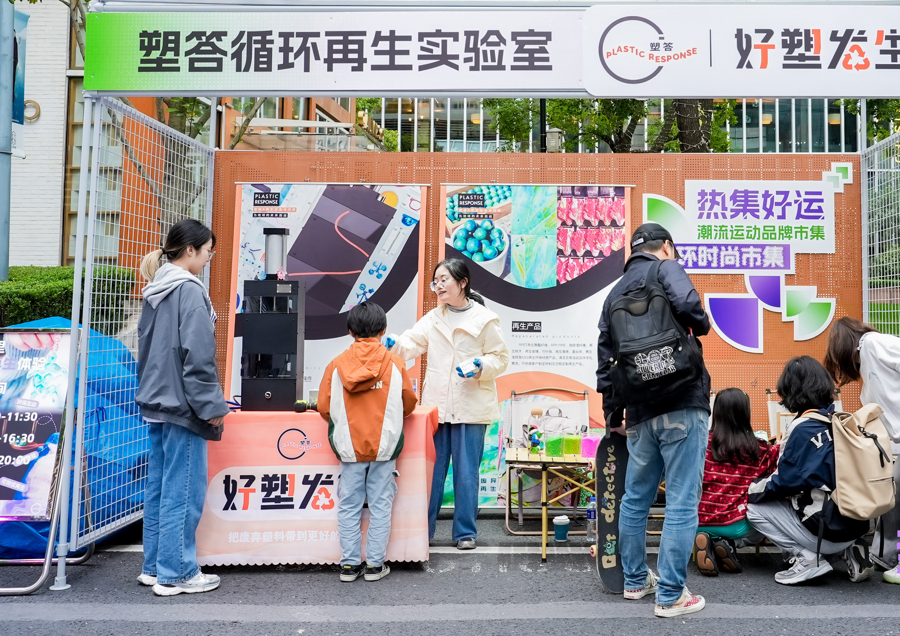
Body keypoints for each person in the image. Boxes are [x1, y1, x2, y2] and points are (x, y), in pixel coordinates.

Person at [596, 222, 712, 618]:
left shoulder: (613, 294)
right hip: (683, 401)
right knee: (681, 501)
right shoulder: (666, 268)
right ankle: (671, 595)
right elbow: (693, 310)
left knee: (635, 500)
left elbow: (606, 362)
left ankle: (634, 581)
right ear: (666, 246)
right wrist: (700, 324)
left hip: (640, 413)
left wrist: (613, 414)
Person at [386, 258, 509, 550]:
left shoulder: (485, 318)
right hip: (437, 408)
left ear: (462, 282)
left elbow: (500, 357)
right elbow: (411, 343)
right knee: (432, 473)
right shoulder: (433, 318)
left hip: (471, 407)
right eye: (436, 281)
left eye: (444, 280)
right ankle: (423, 531)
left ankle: (465, 533)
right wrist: (395, 344)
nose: (438, 286)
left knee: (467, 475)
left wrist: (480, 365)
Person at [135, 219, 229, 597]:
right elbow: (198, 354)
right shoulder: (189, 290)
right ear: (190, 250)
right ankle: (176, 573)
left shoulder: (156, 288)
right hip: (183, 404)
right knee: (184, 490)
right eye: (207, 252)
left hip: (156, 400)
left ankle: (154, 567)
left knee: (160, 488)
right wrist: (211, 405)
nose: (208, 259)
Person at [747, 356, 874, 585]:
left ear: (791, 390)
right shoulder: (839, 422)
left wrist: (750, 489)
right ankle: (848, 549)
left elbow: (783, 482)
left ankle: (807, 559)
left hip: (825, 530)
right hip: (856, 523)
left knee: (752, 507)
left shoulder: (802, 428)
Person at [318, 302, 418, 583]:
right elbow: (409, 404)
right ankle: (374, 566)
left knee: (349, 506)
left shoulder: (336, 365)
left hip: (349, 449)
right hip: (385, 448)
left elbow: (324, 407)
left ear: (350, 331)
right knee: (380, 506)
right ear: (383, 330)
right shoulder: (395, 364)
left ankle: (349, 566)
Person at [824, 317, 900, 584]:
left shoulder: (873, 344)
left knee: (893, 495)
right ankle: (886, 557)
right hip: (894, 446)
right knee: (890, 496)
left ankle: (889, 557)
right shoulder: (867, 362)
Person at [694, 388, 779, 576]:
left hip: (697, 521)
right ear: (745, 413)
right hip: (736, 525)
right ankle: (728, 544)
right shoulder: (758, 449)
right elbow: (781, 461)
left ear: (716, 412)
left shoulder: (700, 443)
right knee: (760, 528)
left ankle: (709, 541)